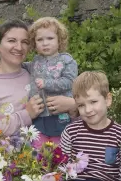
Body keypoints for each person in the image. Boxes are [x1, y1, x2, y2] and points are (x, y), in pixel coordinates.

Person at [0, 19, 77, 139]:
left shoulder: (35, 71)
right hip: (4, 156)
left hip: (50, 148)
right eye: (11, 41)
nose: (19, 47)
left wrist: (73, 105)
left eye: (24, 42)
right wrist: (26, 115)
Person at [60, 71, 121, 181]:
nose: (88, 110)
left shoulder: (120, 134)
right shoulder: (71, 132)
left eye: (93, 102)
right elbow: (63, 162)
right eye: (81, 105)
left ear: (107, 100)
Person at [25, 17, 78, 149]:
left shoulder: (67, 61)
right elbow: (24, 67)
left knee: (59, 150)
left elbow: (69, 82)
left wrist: (47, 83)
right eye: (40, 40)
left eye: (50, 38)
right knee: (37, 150)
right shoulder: (35, 61)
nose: (45, 43)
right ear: (34, 43)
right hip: (39, 115)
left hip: (59, 114)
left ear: (59, 40)